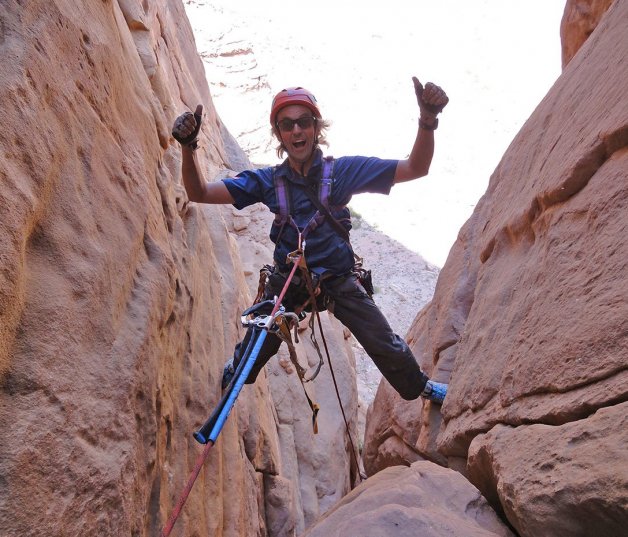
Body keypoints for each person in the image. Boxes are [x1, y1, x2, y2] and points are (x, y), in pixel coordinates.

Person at [172, 77, 449, 404]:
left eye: (303, 122)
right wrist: (188, 148)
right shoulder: (268, 180)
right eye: (287, 125)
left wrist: (428, 121)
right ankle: (239, 370)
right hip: (288, 282)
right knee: (253, 351)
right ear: (278, 133)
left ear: (317, 128)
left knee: (383, 342)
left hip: (337, 277)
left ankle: (421, 387)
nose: (296, 131)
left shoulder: (342, 173)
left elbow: (415, 168)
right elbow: (199, 192)